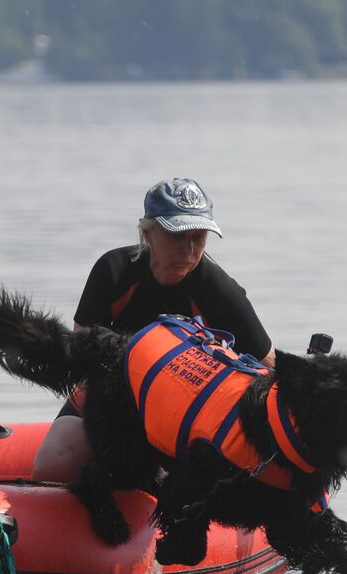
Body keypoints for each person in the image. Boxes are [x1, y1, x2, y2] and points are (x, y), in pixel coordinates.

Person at [31, 177, 276, 482]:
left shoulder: (219, 292)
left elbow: (269, 369)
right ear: (147, 232)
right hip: (110, 397)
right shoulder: (113, 271)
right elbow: (83, 355)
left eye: (199, 238)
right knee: (51, 466)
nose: (188, 249)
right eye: (178, 235)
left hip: (189, 409)